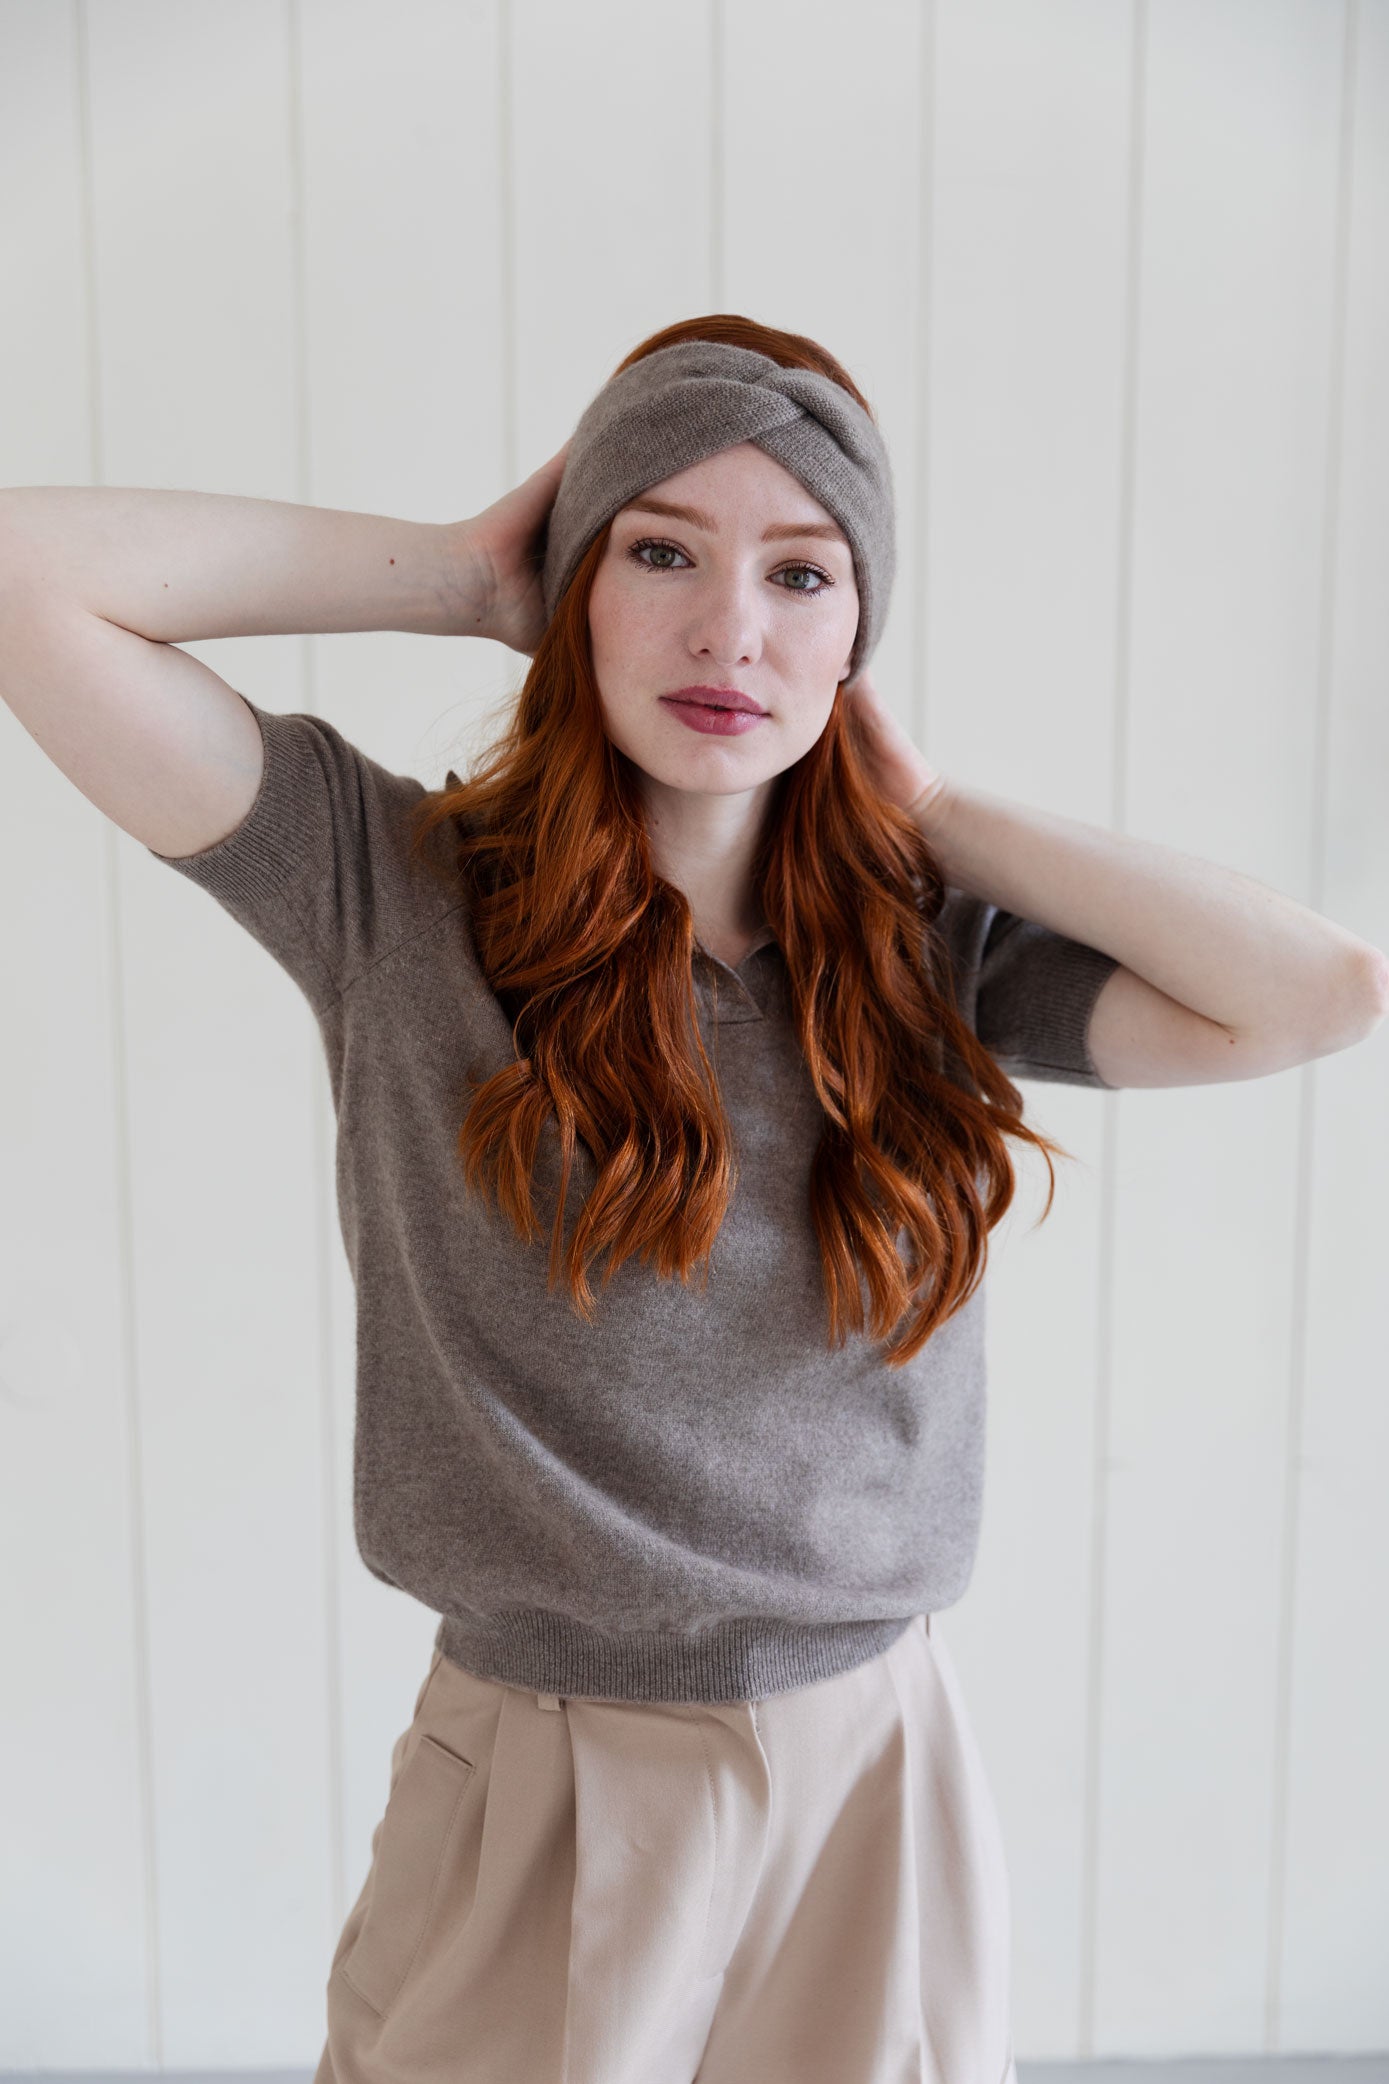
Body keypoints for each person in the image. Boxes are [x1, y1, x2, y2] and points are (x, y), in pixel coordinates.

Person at [3, 313, 1384, 2084]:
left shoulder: (923, 961)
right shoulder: (390, 891)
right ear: (576, 580)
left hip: (867, 1770)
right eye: (657, 550)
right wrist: (457, 577)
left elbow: (1320, 993)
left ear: (858, 635)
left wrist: (937, 811)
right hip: (539, 1765)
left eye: (802, 575)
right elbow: (24, 575)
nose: (731, 626)